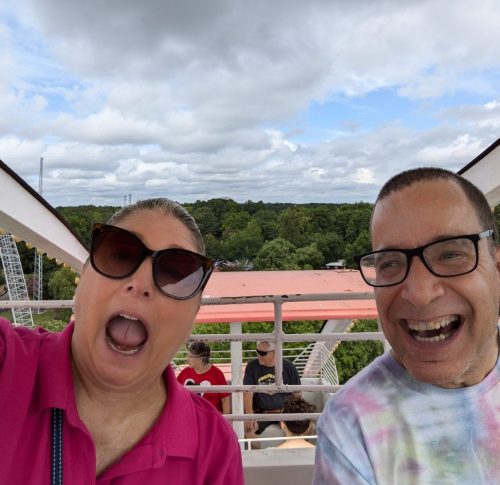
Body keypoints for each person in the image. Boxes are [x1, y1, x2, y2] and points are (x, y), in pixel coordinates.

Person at [0, 198, 244, 484]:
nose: (141, 283)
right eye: (120, 254)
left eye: (175, 273)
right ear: (83, 278)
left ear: (193, 315)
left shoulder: (213, 449)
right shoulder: (8, 362)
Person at [313, 168, 500, 484]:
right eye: (390, 263)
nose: (420, 294)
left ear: (496, 268)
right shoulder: (352, 424)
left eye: (451, 253)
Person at [243, 340, 301, 437]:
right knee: (248, 429)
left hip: (283, 412)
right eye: (257, 351)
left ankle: (289, 451)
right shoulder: (252, 366)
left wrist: (291, 412)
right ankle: (259, 452)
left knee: (303, 427)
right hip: (261, 413)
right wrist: (250, 415)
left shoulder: (289, 367)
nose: (259, 355)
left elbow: (297, 394)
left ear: (275, 352)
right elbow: (248, 392)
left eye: (263, 353)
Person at [177, 341, 231, 413]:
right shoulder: (185, 372)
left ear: (201, 358)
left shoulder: (216, 373)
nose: (187, 358)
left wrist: (225, 419)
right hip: (189, 416)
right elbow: (174, 392)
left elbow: (225, 399)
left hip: (211, 418)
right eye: (187, 355)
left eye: (190, 356)